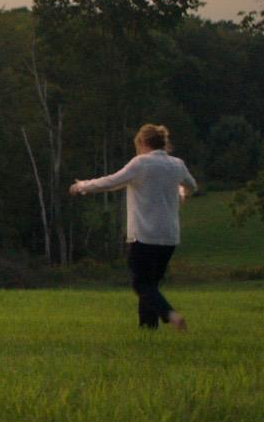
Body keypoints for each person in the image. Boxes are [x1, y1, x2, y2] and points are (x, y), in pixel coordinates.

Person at [71, 124, 198, 331]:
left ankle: (171, 316)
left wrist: (82, 186)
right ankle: (147, 329)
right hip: (170, 237)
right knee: (151, 286)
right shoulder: (177, 164)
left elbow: (111, 182)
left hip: (144, 235)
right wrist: (180, 192)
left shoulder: (141, 163)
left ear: (142, 142)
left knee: (141, 285)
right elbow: (192, 185)